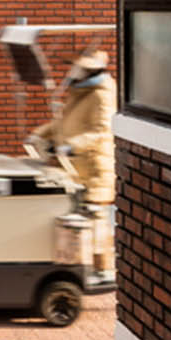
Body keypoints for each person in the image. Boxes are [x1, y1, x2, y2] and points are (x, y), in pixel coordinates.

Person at [26, 48, 116, 282]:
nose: (72, 70)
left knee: (96, 218)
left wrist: (71, 146)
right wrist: (39, 135)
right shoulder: (78, 93)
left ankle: (103, 271)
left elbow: (101, 132)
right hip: (75, 167)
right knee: (77, 217)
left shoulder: (102, 95)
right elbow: (62, 124)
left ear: (89, 70)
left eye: (77, 66)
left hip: (94, 167)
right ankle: (79, 266)